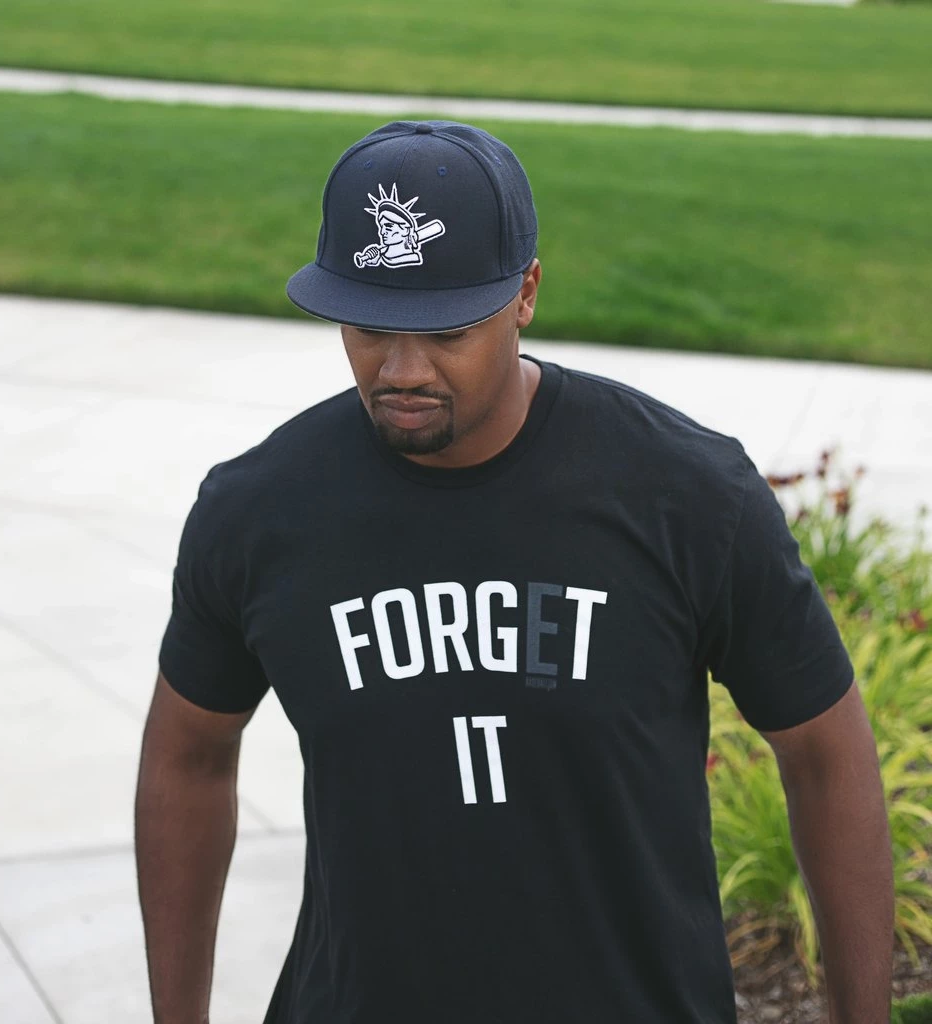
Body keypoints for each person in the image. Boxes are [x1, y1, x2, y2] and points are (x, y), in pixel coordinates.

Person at [135, 120, 894, 1023]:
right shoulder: (261, 511)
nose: (402, 368)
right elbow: (187, 756)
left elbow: (825, 751)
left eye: (447, 329)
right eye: (370, 326)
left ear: (526, 293)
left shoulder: (684, 495)